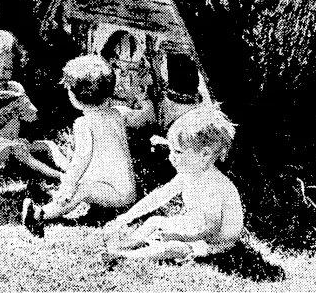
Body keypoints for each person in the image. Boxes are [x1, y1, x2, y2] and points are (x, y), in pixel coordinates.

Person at [102, 105, 243, 261]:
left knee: (175, 247)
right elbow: (160, 196)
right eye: (171, 150)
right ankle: (125, 244)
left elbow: (212, 229)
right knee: (154, 221)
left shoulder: (213, 185)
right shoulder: (188, 173)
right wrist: (127, 216)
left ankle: (126, 256)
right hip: (196, 223)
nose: (171, 157)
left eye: (178, 152)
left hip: (217, 240)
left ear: (205, 154)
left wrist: (177, 236)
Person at [22, 55, 136, 237]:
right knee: (84, 181)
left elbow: (81, 160)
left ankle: (41, 214)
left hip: (118, 194)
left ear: (75, 98)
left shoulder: (84, 123)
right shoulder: (118, 113)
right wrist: (144, 100)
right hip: (124, 188)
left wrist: (68, 185)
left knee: (82, 189)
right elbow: (146, 117)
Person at [0, 31, 67, 186]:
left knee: (47, 145)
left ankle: (70, 168)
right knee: (18, 150)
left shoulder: (15, 87)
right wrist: (9, 109)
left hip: (12, 140)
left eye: (7, 69)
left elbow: (32, 117)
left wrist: (25, 107)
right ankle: (58, 176)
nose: (1, 74)